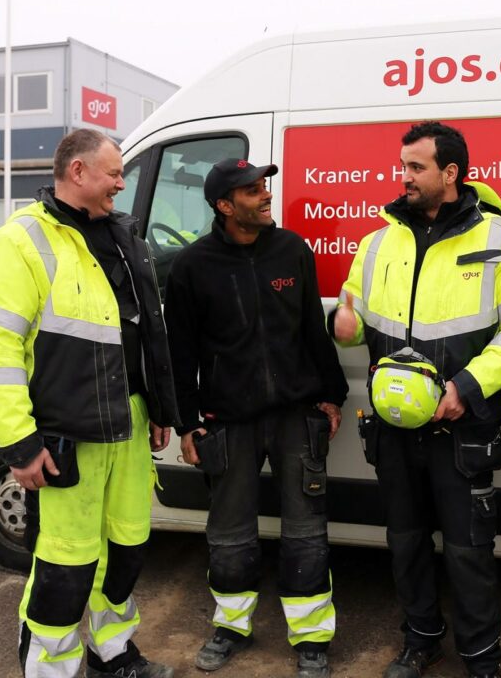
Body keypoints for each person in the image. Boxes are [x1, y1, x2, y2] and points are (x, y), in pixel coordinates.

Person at [332, 122, 501, 678]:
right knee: (406, 544)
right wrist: (343, 325)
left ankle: (480, 657)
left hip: (461, 425)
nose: (404, 177)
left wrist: (467, 388)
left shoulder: (500, 238)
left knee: (471, 551)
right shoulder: (378, 241)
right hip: (393, 426)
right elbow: (354, 322)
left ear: (450, 173)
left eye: (416, 167)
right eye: (402, 166)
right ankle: (419, 640)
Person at [0, 128, 180, 678]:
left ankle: (113, 653)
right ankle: (50, 671)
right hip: (69, 435)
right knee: (65, 565)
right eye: (113, 172)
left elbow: (144, 333)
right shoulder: (19, 240)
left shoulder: (123, 236)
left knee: (126, 551)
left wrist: (160, 409)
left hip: (129, 425)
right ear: (78, 172)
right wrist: (19, 444)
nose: (120, 181)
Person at [164, 158, 348, 678]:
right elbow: (180, 355)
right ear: (225, 206)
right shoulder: (191, 267)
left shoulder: (291, 250)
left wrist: (331, 394)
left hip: (296, 414)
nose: (265, 195)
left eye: (264, 186)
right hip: (228, 419)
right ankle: (231, 627)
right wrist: (186, 423)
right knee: (229, 531)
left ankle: (312, 637)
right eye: (252, 191)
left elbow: (314, 329)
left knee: (307, 530)